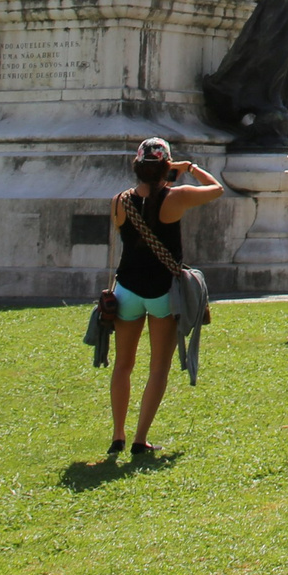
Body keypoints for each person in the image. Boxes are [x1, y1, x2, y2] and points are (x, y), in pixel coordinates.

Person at [108, 138, 222, 460]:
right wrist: (190, 168)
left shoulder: (119, 201)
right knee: (158, 367)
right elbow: (216, 189)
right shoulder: (177, 196)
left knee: (123, 365)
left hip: (126, 289)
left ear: (136, 165)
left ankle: (118, 435)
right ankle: (140, 439)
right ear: (166, 166)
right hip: (162, 292)